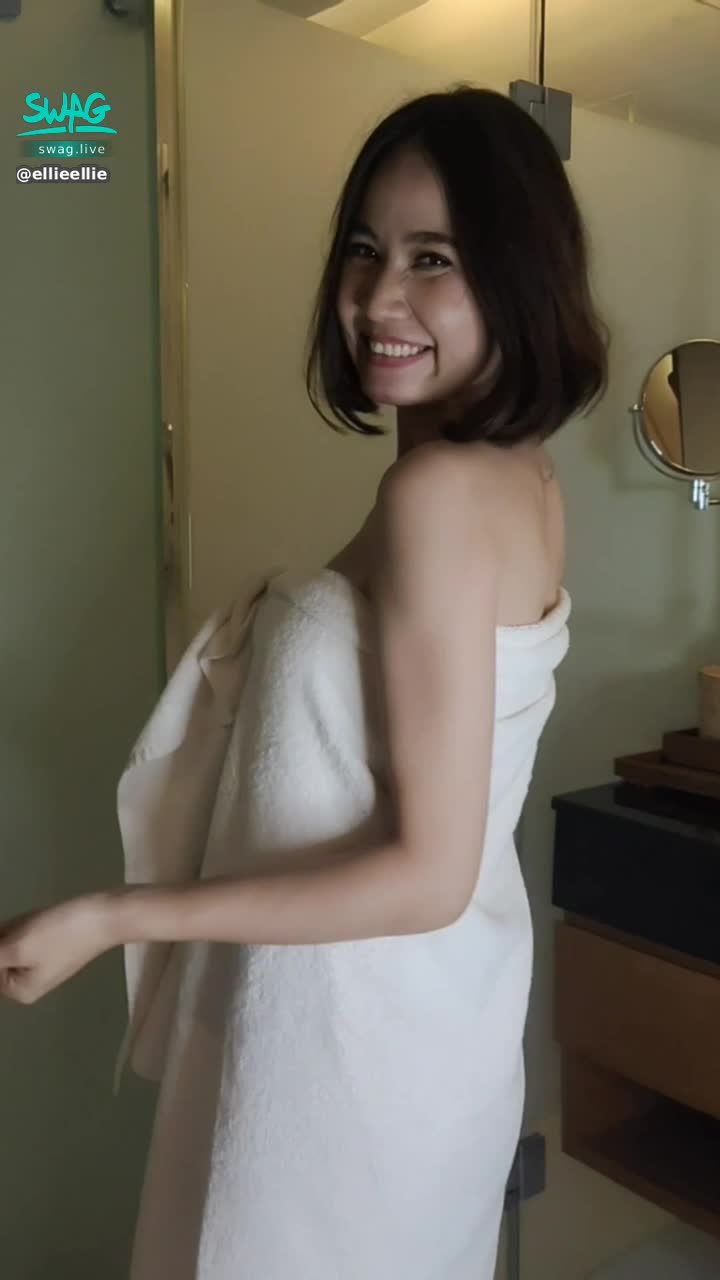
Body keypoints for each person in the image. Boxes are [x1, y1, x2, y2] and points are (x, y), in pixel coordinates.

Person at [0, 86, 607, 1279]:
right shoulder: (515, 475)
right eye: (365, 249)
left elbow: (427, 872)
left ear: (518, 276)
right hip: (411, 1018)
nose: (378, 297)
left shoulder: (440, 496)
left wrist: (115, 914)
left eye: (434, 258)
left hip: (357, 1040)